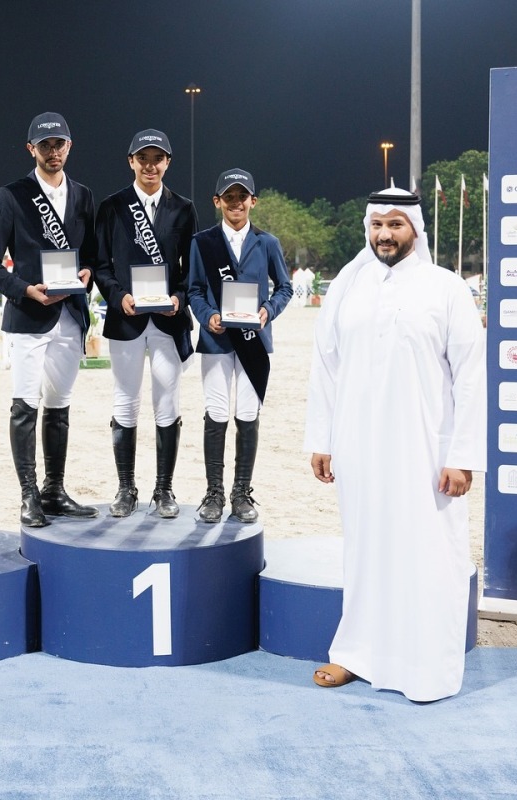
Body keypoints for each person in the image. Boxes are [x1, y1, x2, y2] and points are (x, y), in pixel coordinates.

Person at [304, 187, 486, 702]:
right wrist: (323, 438)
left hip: (426, 451)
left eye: (395, 225)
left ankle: (423, 666)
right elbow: (327, 365)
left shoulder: (445, 288)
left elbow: (471, 376)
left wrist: (462, 456)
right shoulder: (346, 285)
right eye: (377, 225)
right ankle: (356, 654)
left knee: (430, 553)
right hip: (359, 446)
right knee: (365, 550)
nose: (384, 234)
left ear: (415, 229)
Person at [0, 112, 100, 528]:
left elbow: (94, 257)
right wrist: (23, 290)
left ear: (69, 146)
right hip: (30, 315)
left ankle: (54, 490)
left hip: (70, 316)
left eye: (59, 144)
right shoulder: (11, 196)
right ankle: (28, 496)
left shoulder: (83, 195)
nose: (53, 152)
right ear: (32, 149)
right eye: (44, 146)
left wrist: (89, 273)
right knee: (25, 405)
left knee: (60, 406)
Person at [93, 129, 199, 519]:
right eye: (143, 158)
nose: (150, 165)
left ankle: (164, 489)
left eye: (158, 159)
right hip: (127, 318)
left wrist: (181, 298)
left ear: (168, 162)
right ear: (131, 161)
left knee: (167, 402)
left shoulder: (184, 209)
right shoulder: (111, 207)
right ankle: (125, 488)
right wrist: (117, 295)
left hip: (168, 320)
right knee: (125, 399)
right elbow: (102, 264)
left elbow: (193, 268)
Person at [187, 169, 292, 524]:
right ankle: (214, 492)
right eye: (228, 197)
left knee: (247, 414)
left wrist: (267, 311)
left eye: (241, 197)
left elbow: (285, 288)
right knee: (216, 414)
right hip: (216, 339)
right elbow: (195, 290)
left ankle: (241, 492)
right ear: (217, 202)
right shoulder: (203, 242)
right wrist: (206, 316)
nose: (236, 203)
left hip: (254, 341)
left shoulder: (268, 243)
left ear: (252, 201)